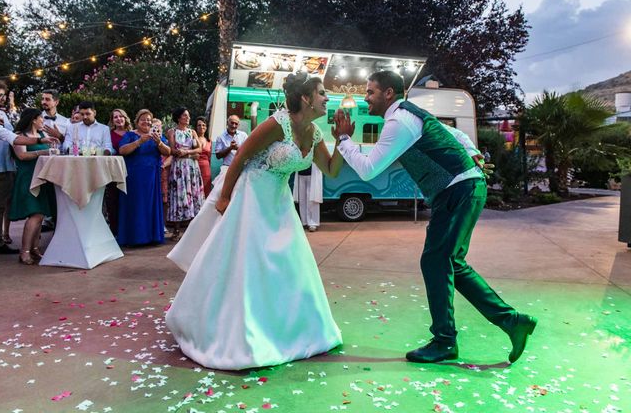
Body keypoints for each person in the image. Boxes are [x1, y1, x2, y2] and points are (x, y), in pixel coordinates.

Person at [333, 70, 536, 364]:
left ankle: (445, 341)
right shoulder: (409, 115)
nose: (366, 99)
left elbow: (367, 170)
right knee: (450, 262)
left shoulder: (398, 121)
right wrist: (472, 153)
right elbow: (457, 134)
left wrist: (343, 139)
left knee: (435, 260)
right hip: (461, 188)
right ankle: (511, 322)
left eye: (370, 92)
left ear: (389, 93)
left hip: (457, 190)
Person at [166, 72, 344, 370]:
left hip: (279, 203)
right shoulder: (278, 124)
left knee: (287, 265)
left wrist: (342, 140)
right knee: (246, 266)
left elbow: (331, 169)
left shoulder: (313, 133)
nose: (327, 98)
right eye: (322, 92)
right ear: (306, 97)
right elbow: (240, 158)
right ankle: (238, 332)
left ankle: (286, 329)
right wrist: (223, 197)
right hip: (251, 196)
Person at [9, 108, 56, 265]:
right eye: (41, 118)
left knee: (41, 215)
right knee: (34, 215)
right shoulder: (21, 136)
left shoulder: (43, 136)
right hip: (28, 178)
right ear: (33, 119)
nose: (43, 120)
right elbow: (21, 155)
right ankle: (25, 251)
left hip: (42, 178)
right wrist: (41, 153)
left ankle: (35, 248)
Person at [117, 109, 170, 246]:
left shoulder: (156, 135)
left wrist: (159, 142)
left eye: (149, 120)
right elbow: (122, 150)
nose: (146, 122)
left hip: (152, 176)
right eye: (143, 119)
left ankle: (151, 237)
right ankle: (135, 238)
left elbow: (168, 151)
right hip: (134, 176)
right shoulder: (130, 135)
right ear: (137, 121)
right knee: (136, 205)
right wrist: (139, 142)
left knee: (150, 205)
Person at [166, 107, 203, 240]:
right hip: (179, 167)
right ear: (178, 118)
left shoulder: (192, 132)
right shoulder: (172, 131)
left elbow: (200, 148)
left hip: (191, 166)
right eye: (184, 116)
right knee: (178, 195)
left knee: (193, 194)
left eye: (188, 115)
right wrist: (180, 152)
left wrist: (187, 152)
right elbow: (171, 149)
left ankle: (194, 228)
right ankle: (176, 229)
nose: (187, 118)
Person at [0, 80, 18, 255]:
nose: (2, 98)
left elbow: (10, 135)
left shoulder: (2, 113)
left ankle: (0, 237)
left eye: (3, 95)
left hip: (7, 163)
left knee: (3, 204)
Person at [105, 109, 132, 235]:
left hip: (131, 169)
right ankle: (115, 231)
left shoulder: (132, 134)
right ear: (112, 120)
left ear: (125, 118)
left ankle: (128, 229)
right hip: (114, 170)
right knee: (113, 200)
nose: (119, 119)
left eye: (121, 116)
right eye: (115, 117)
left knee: (129, 200)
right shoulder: (108, 134)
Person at [293, 163, 323, 232]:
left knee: (312, 200)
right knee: (302, 200)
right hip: (301, 174)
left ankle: (313, 223)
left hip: (312, 174)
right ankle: (304, 222)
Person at [195, 116, 212, 197]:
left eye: (203, 125)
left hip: (206, 170)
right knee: (195, 190)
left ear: (206, 127)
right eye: (199, 125)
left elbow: (210, 158)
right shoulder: (192, 139)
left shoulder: (209, 141)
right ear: (196, 127)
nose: (201, 127)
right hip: (194, 167)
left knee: (206, 192)